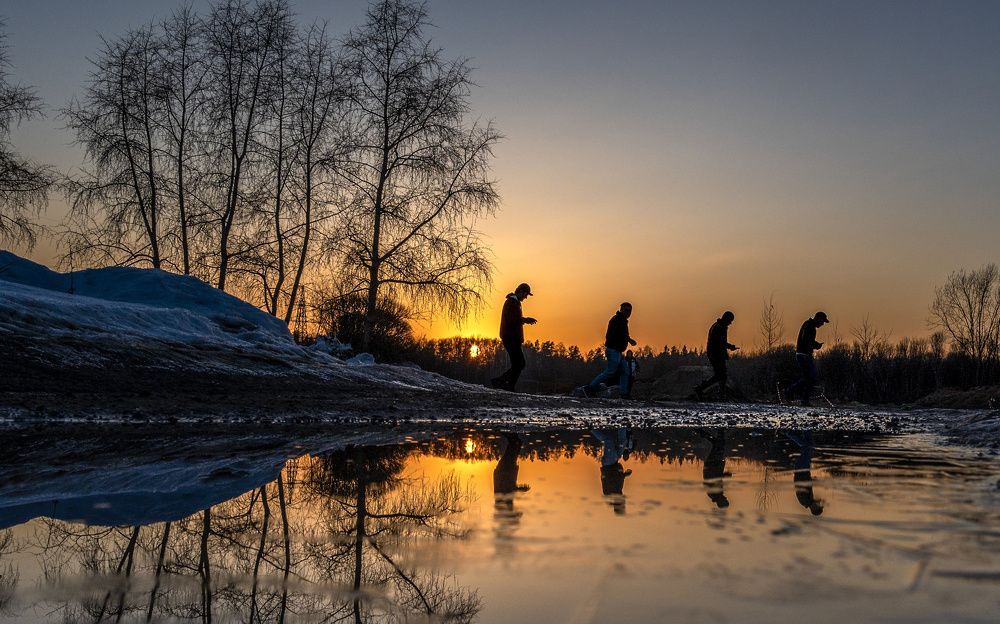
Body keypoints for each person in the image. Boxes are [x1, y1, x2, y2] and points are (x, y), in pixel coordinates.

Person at [582, 302, 637, 398]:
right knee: (610, 371)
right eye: (626, 310)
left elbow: (622, 334)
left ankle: (624, 393)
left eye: (630, 311)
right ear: (621, 310)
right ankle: (590, 388)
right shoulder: (616, 320)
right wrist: (629, 340)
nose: (628, 313)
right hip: (613, 350)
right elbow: (617, 334)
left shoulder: (622, 321)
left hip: (618, 352)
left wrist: (627, 340)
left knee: (625, 371)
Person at [490, 283, 537, 391]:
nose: (526, 297)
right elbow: (512, 320)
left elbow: (515, 319)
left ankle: (507, 384)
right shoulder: (511, 303)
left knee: (519, 364)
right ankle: (501, 382)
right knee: (519, 363)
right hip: (510, 338)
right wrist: (526, 320)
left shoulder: (514, 303)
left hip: (512, 338)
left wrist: (524, 320)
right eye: (525, 294)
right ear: (520, 291)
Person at [782, 311, 830, 407]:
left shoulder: (808, 325)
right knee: (811, 377)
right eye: (822, 321)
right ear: (818, 318)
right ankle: (799, 397)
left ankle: (791, 393)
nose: (823, 324)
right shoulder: (809, 326)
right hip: (804, 355)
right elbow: (807, 340)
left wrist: (814, 344)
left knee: (808, 378)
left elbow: (807, 340)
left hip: (802, 354)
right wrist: (816, 345)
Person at [694, 311, 738, 400]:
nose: (730, 323)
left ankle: (720, 394)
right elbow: (720, 342)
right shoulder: (719, 327)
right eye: (730, 320)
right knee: (720, 375)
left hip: (716, 354)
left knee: (722, 375)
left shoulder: (718, 326)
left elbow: (720, 342)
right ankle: (701, 389)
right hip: (716, 354)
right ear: (726, 319)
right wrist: (730, 346)